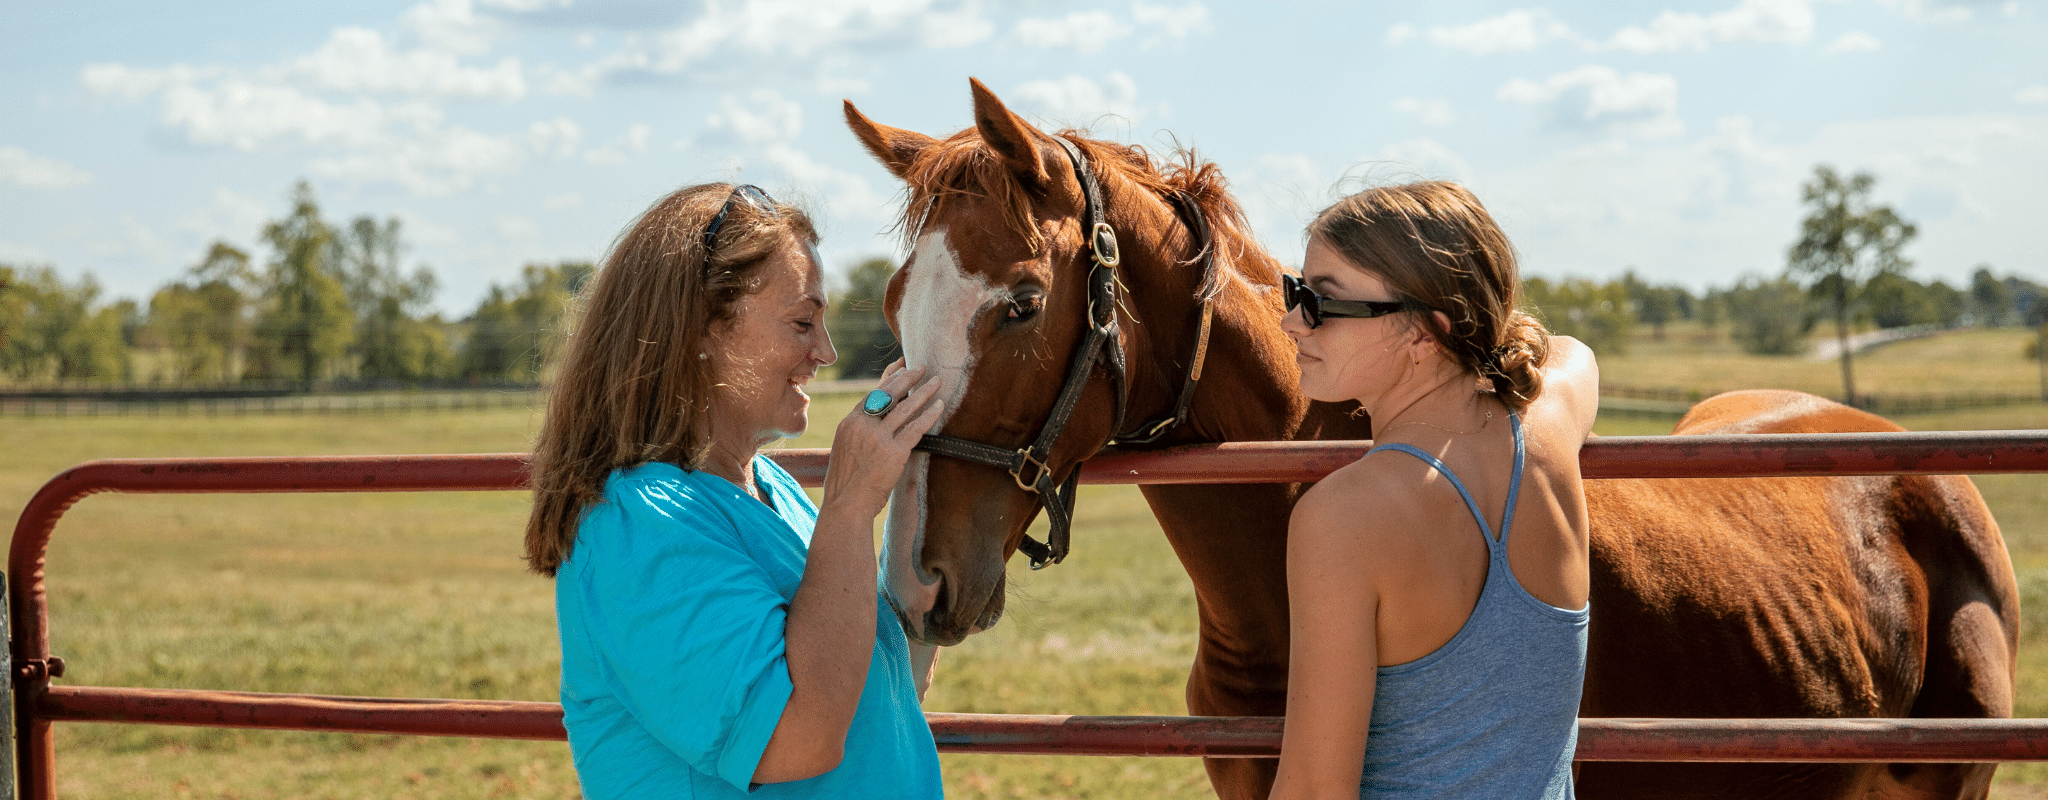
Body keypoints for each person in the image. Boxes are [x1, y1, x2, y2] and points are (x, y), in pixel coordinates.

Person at [523, 183, 947, 798]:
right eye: (803, 322)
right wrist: (852, 507)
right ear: (701, 328)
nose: (824, 352)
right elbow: (796, 738)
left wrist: (914, 516)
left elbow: (869, 696)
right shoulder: (635, 525)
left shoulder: (769, 488)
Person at [1268, 181, 1599, 799]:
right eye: (1297, 290)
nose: (1291, 321)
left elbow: (1315, 788)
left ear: (1426, 331)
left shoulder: (1343, 517)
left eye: (1322, 301)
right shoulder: (1548, 426)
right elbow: (1574, 357)